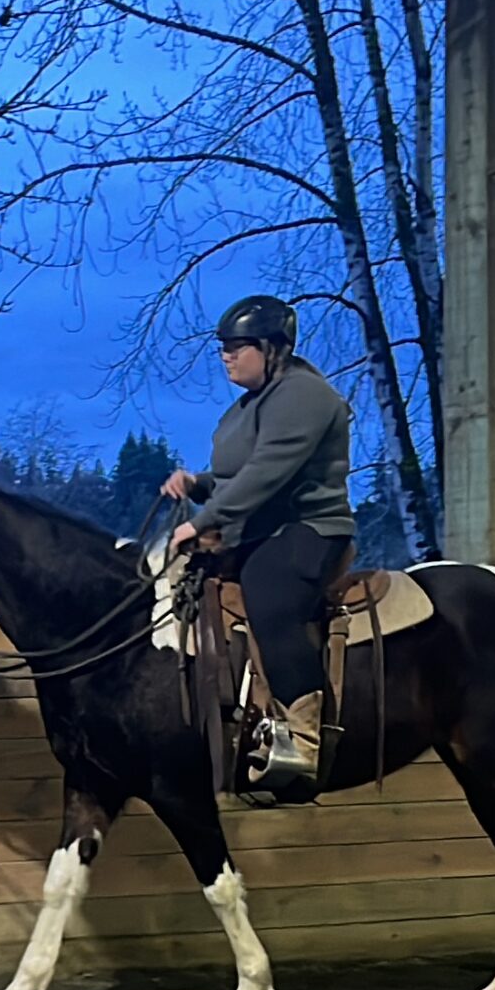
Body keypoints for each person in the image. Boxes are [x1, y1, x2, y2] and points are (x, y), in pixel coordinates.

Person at [161, 294, 356, 800]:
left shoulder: (304, 396)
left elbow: (269, 472)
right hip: (259, 528)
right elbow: (237, 475)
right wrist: (199, 483)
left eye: (237, 346)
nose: (226, 355)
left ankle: (304, 739)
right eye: (223, 347)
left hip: (308, 528)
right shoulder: (246, 408)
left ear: (273, 348)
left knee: (268, 591)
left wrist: (203, 521)